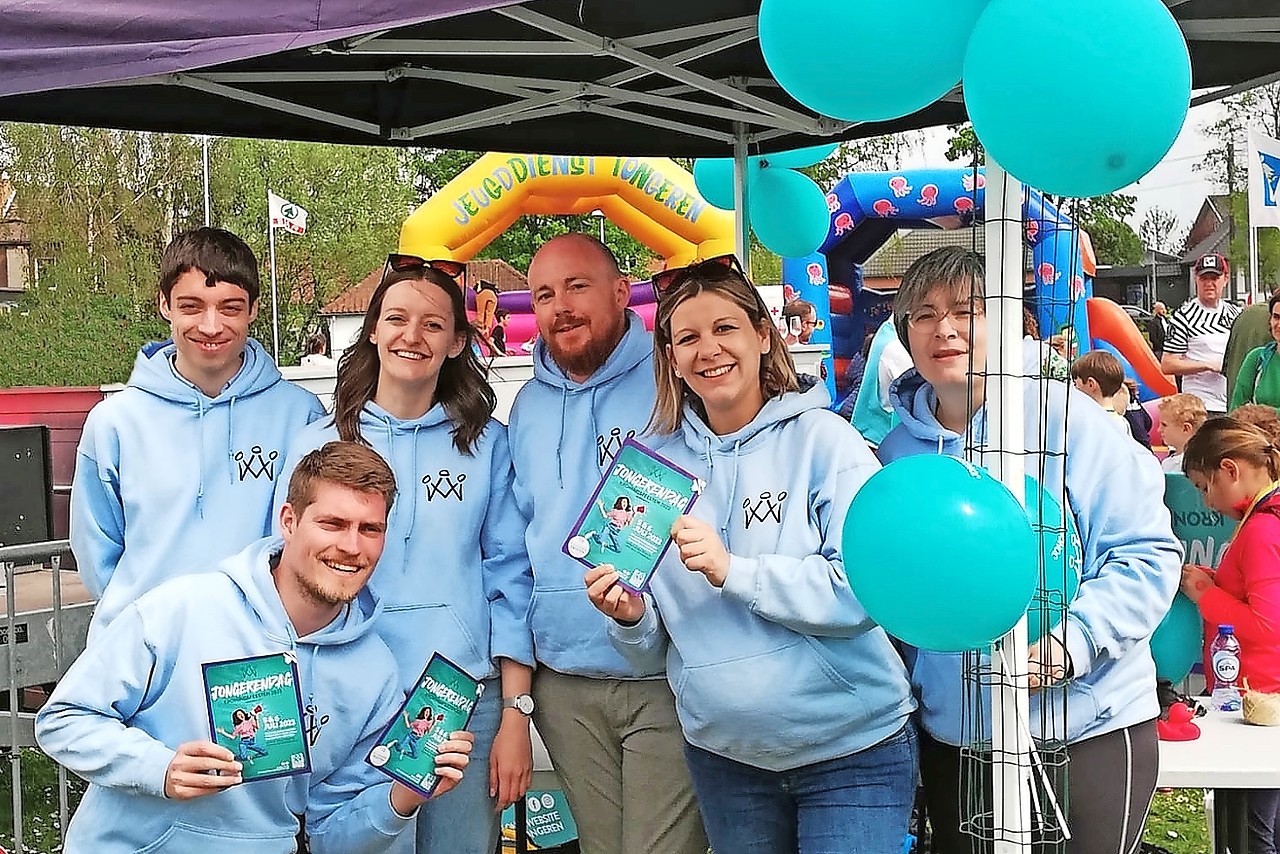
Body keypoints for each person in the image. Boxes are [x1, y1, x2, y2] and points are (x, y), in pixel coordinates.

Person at [585, 256, 917, 854]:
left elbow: (865, 592)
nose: (708, 349)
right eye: (687, 337)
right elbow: (654, 647)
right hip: (725, 759)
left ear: (763, 335)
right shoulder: (651, 469)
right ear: (672, 359)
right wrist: (630, 620)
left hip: (851, 752)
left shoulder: (826, 441)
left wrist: (733, 570)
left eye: (725, 329)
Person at [877, 246, 1182, 854]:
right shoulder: (895, 456)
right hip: (958, 741)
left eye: (967, 310)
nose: (945, 329)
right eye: (923, 314)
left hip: (1087, 729)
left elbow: (1147, 555)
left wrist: (1069, 645)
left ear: (1006, 320)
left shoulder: (1067, 421)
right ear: (905, 334)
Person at [36, 441, 475, 854]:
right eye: (333, 524)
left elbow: (330, 837)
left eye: (370, 529)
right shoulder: (182, 608)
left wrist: (402, 796)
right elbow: (63, 720)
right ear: (289, 521)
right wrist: (159, 768)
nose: (351, 546)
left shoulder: (375, 672)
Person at [276, 253, 533, 854]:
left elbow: (510, 577)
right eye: (396, 318)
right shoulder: (319, 443)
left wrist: (517, 712)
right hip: (348, 697)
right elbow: (287, 571)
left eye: (432, 324)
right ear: (372, 329)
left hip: (457, 699)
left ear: (456, 341)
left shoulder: (488, 445)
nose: (411, 336)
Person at [507, 233, 707, 854]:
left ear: (622, 293)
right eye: (544, 293)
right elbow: (515, 548)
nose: (561, 306)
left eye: (577, 286)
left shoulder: (673, 381)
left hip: (662, 674)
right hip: (562, 681)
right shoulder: (526, 409)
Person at [71, 227, 327, 641]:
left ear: (254, 310)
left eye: (230, 307)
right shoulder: (113, 423)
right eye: (192, 306)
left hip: (255, 651)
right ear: (164, 305)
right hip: (142, 651)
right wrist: (147, 621)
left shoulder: (301, 415)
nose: (211, 326)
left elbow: (301, 542)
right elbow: (97, 553)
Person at [1179, 417, 1280, 854]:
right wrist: (1219, 581)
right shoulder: (1262, 517)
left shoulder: (1261, 529)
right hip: (1258, 698)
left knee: (1255, 832)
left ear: (1230, 470)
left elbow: (1267, 623)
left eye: (1205, 486)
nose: (1207, 499)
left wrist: (1205, 595)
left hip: (1263, 698)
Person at [1162, 253, 1242, 416]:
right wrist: (1207, 365)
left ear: (1225, 279)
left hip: (1232, 402)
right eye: (1204, 278)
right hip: (1200, 405)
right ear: (1196, 279)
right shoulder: (1183, 316)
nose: (1209, 284)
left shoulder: (1236, 313)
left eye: (1214, 278)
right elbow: (1168, 364)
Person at [1230, 290, 1280, 410]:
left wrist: (1263, 414)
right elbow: (1236, 410)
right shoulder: (1257, 357)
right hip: (1257, 429)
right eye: (1276, 317)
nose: (1279, 324)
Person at [1070, 350, 1131, 435]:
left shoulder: (1087, 424)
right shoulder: (1123, 424)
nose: (1075, 389)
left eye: (1076, 384)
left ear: (1091, 384)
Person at [1157, 393, 1208, 474]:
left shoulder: (1198, 465)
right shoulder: (1168, 463)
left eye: (1164, 425)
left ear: (1185, 428)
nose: (1159, 430)